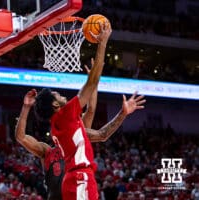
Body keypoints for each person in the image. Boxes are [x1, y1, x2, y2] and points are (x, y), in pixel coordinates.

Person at [16, 88, 145, 200]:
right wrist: (26, 107)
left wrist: (94, 85)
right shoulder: (47, 151)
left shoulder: (77, 137)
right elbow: (21, 137)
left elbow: (98, 125)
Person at [31, 21, 112, 200]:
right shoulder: (64, 115)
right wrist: (102, 42)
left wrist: (94, 82)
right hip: (79, 178)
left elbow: (90, 108)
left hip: (78, 178)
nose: (61, 95)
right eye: (56, 94)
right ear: (54, 105)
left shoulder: (60, 123)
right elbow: (90, 84)